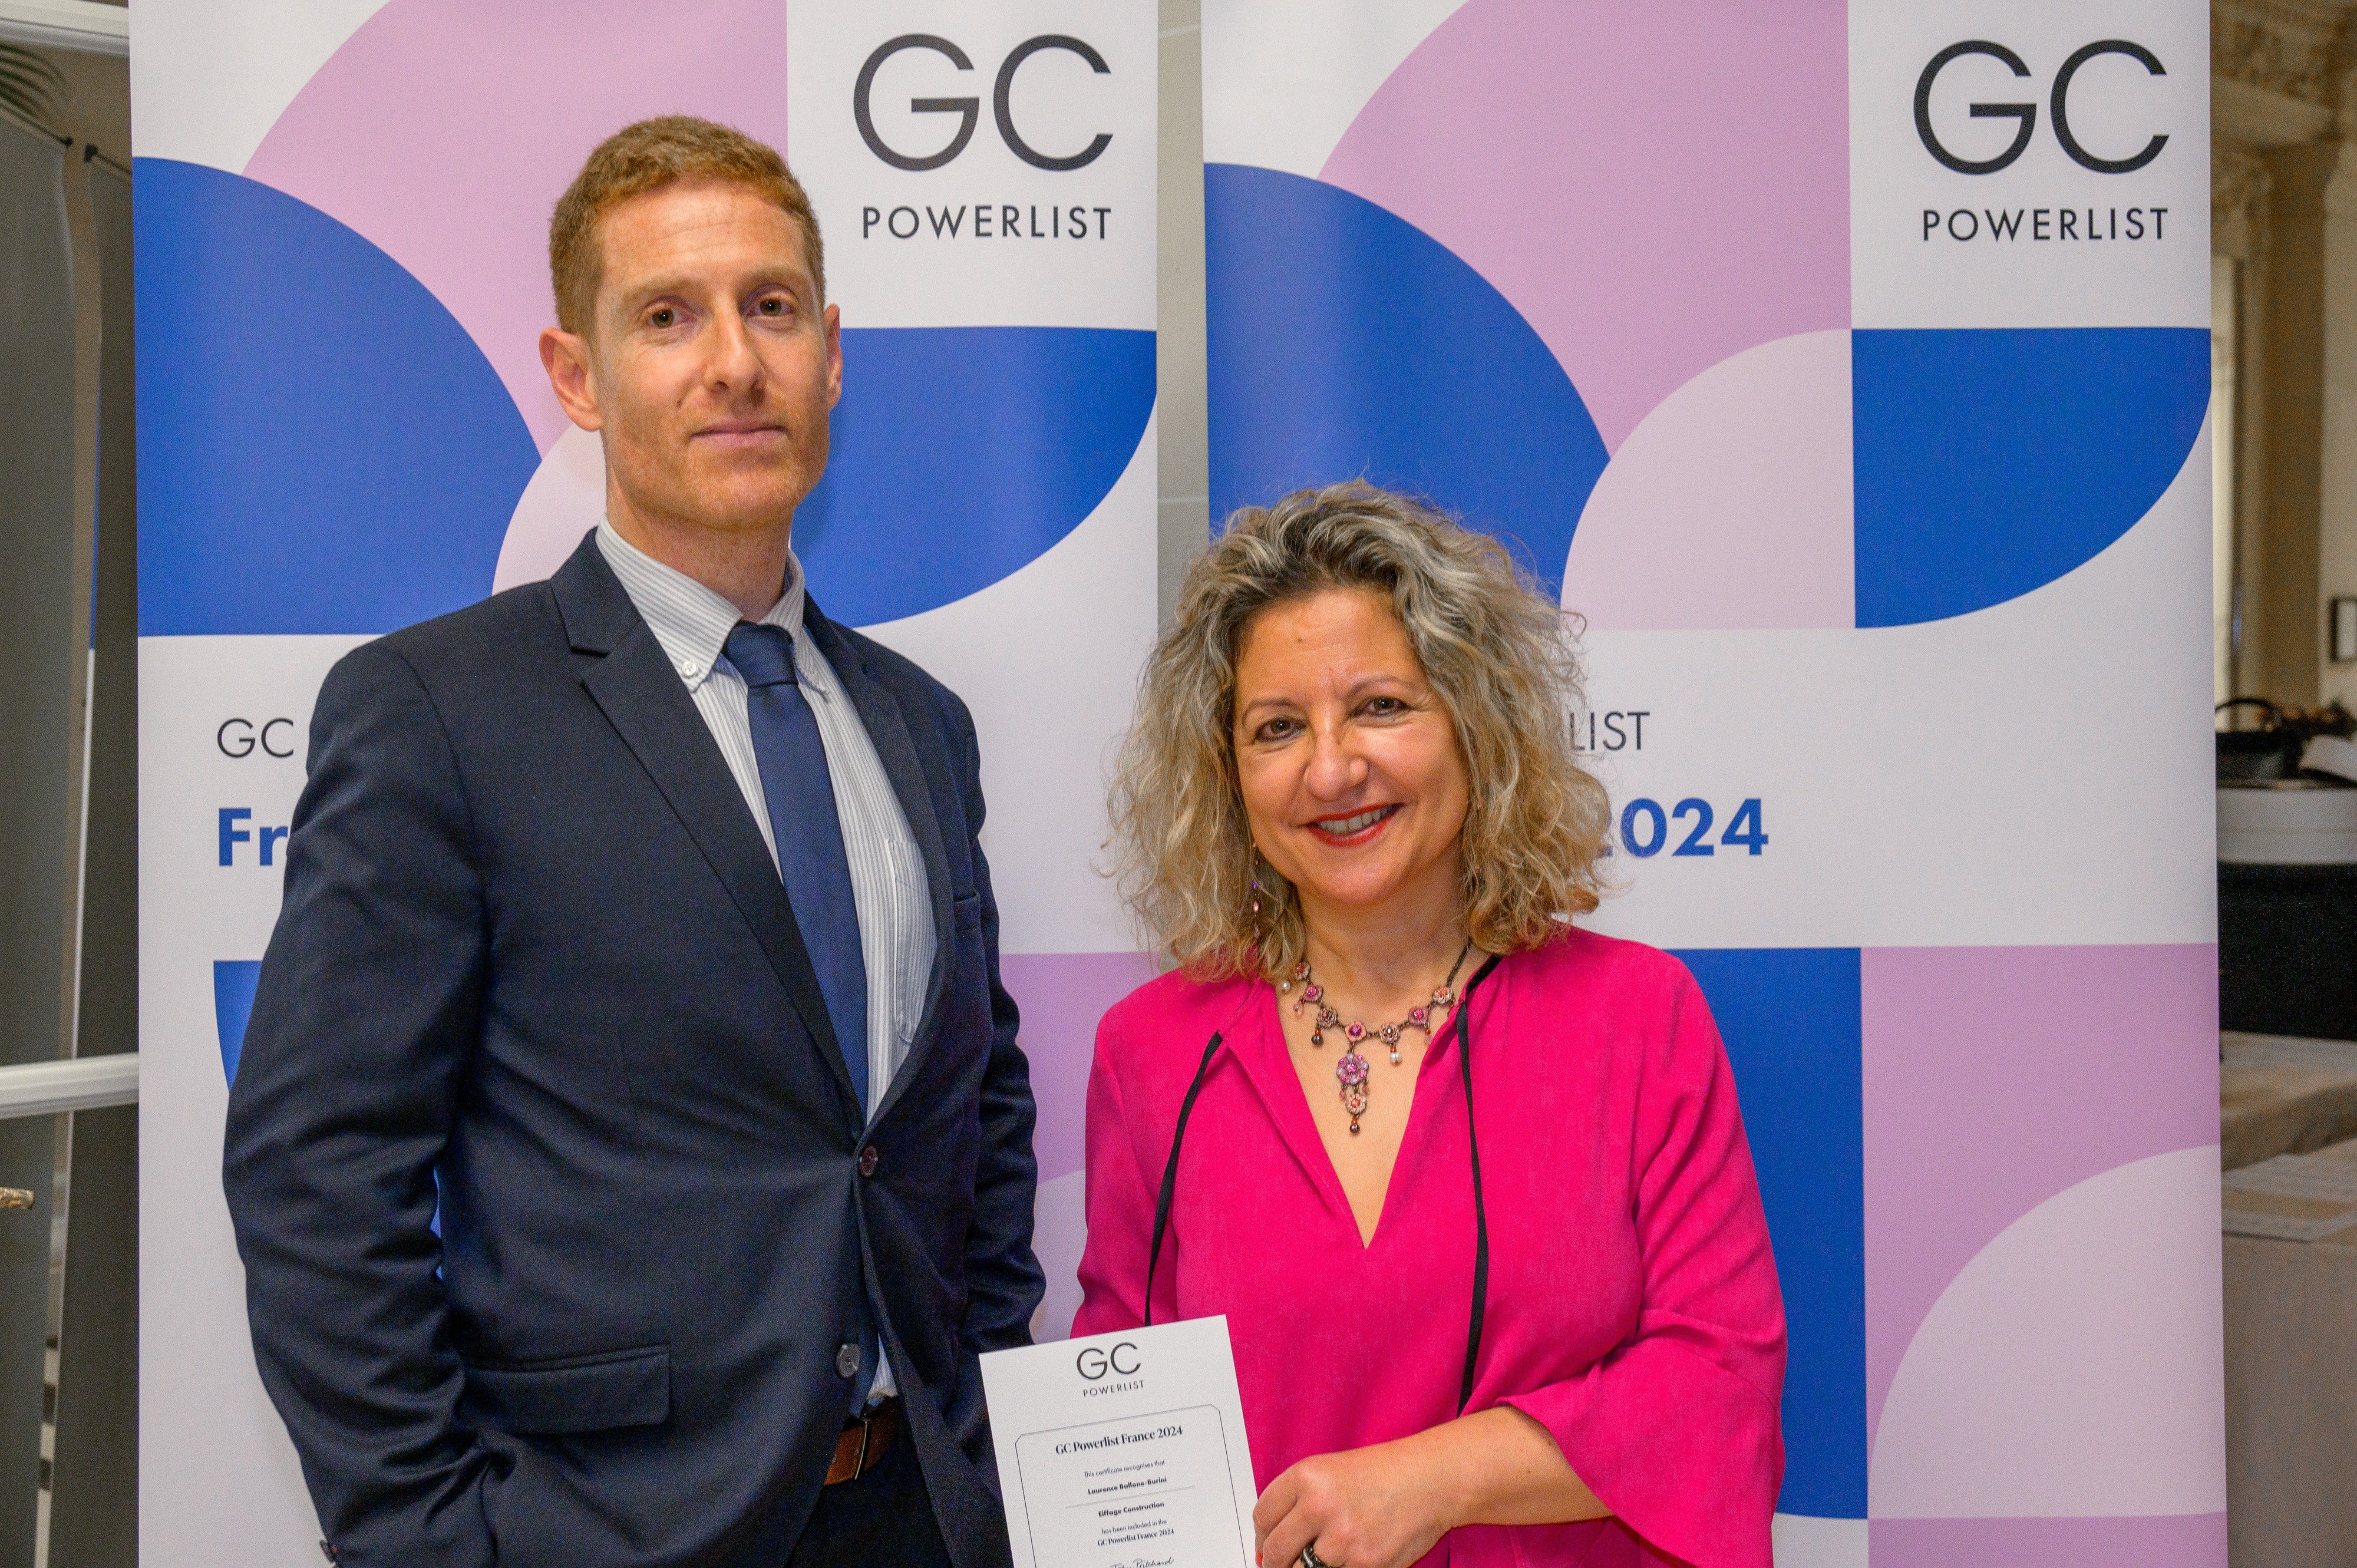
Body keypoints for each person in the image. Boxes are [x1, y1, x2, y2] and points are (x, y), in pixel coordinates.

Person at [222, 117, 1041, 1568]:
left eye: (770, 306)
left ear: (830, 355)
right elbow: (317, 1172)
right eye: (667, 316)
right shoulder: (436, 711)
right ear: (576, 376)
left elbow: (974, 1108)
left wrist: (983, 1435)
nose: (733, 362)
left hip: (920, 1516)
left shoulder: (921, 724)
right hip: (599, 1534)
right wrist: (433, 1540)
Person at [1077, 482, 1785, 1567]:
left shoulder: (1637, 1019)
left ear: (1474, 724)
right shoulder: (1153, 1052)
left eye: (1379, 706)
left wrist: (1433, 1480)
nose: (1330, 768)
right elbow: (1120, 1423)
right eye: (1277, 728)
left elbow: (1719, 1390)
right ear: (1229, 776)